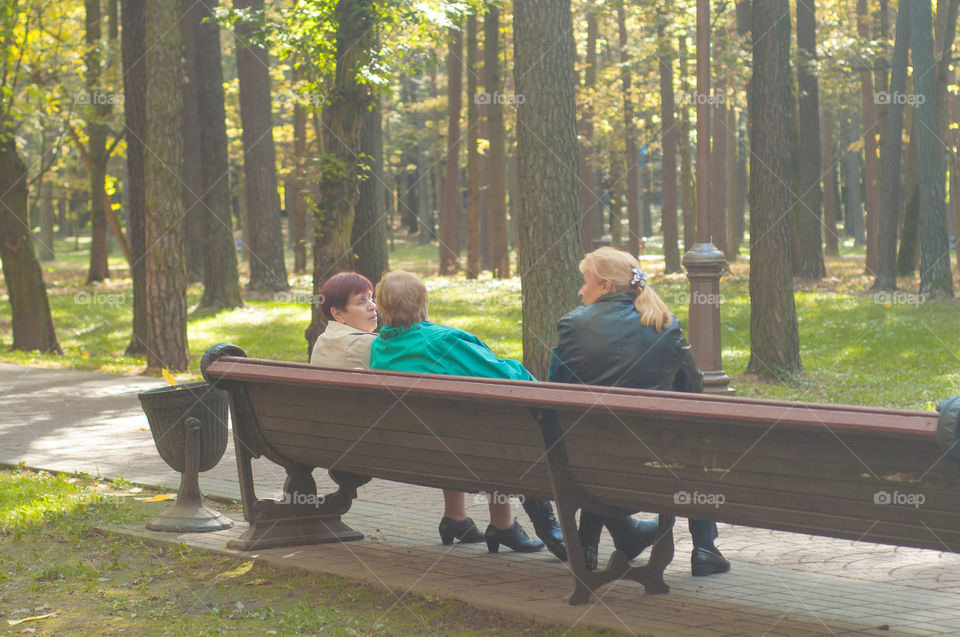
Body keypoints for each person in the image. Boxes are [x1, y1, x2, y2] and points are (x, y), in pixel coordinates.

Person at [549, 246, 730, 576]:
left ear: (605, 286)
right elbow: (693, 389)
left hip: (585, 464)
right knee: (695, 450)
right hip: (653, 464)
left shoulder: (571, 326)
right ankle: (704, 549)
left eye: (585, 281)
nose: (580, 289)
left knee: (601, 442)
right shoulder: (665, 325)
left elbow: (555, 390)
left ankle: (587, 546)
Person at [369, 270, 565, 557]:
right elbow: (504, 375)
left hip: (419, 444)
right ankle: (525, 526)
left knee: (466, 427)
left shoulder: (380, 347)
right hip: (468, 443)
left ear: (382, 307)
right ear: (423, 304)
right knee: (510, 437)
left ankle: (458, 519)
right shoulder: (442, 340)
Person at [309, 272, 379, 369]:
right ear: (338, 314)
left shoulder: (322, 340)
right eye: (361, 301)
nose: (373, 306)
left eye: (370, 297)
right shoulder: (371, 344)